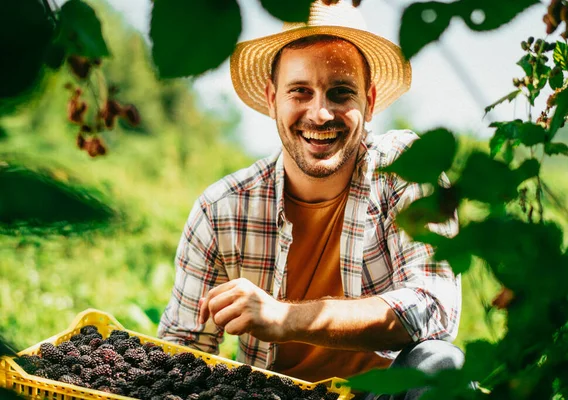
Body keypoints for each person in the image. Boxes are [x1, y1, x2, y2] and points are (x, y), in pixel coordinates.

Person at [158, 1, 463, 398]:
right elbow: (183, 353)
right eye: (300, 91)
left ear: (369, 102)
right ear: (272, 99)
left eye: (340, 93)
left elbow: (433, 306)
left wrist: (285, 317)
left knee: (438, 362)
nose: (319, 114)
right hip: (272, 395)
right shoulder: (220, 211)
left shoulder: (405, 171)